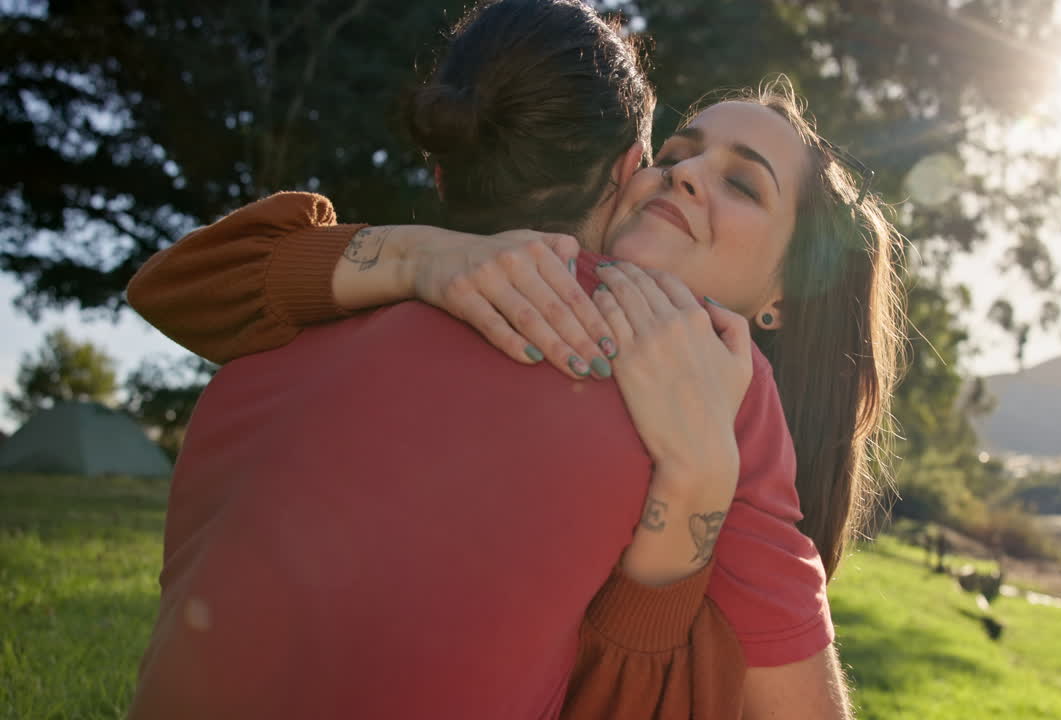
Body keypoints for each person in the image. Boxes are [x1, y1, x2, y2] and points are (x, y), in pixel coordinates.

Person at [127, 1, 903, 718]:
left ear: (785, 296)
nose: (688, 173)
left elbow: (174, 286)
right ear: (627, 171)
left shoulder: (308, 323)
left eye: (741, 182)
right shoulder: (714, 380)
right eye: (676, 154)